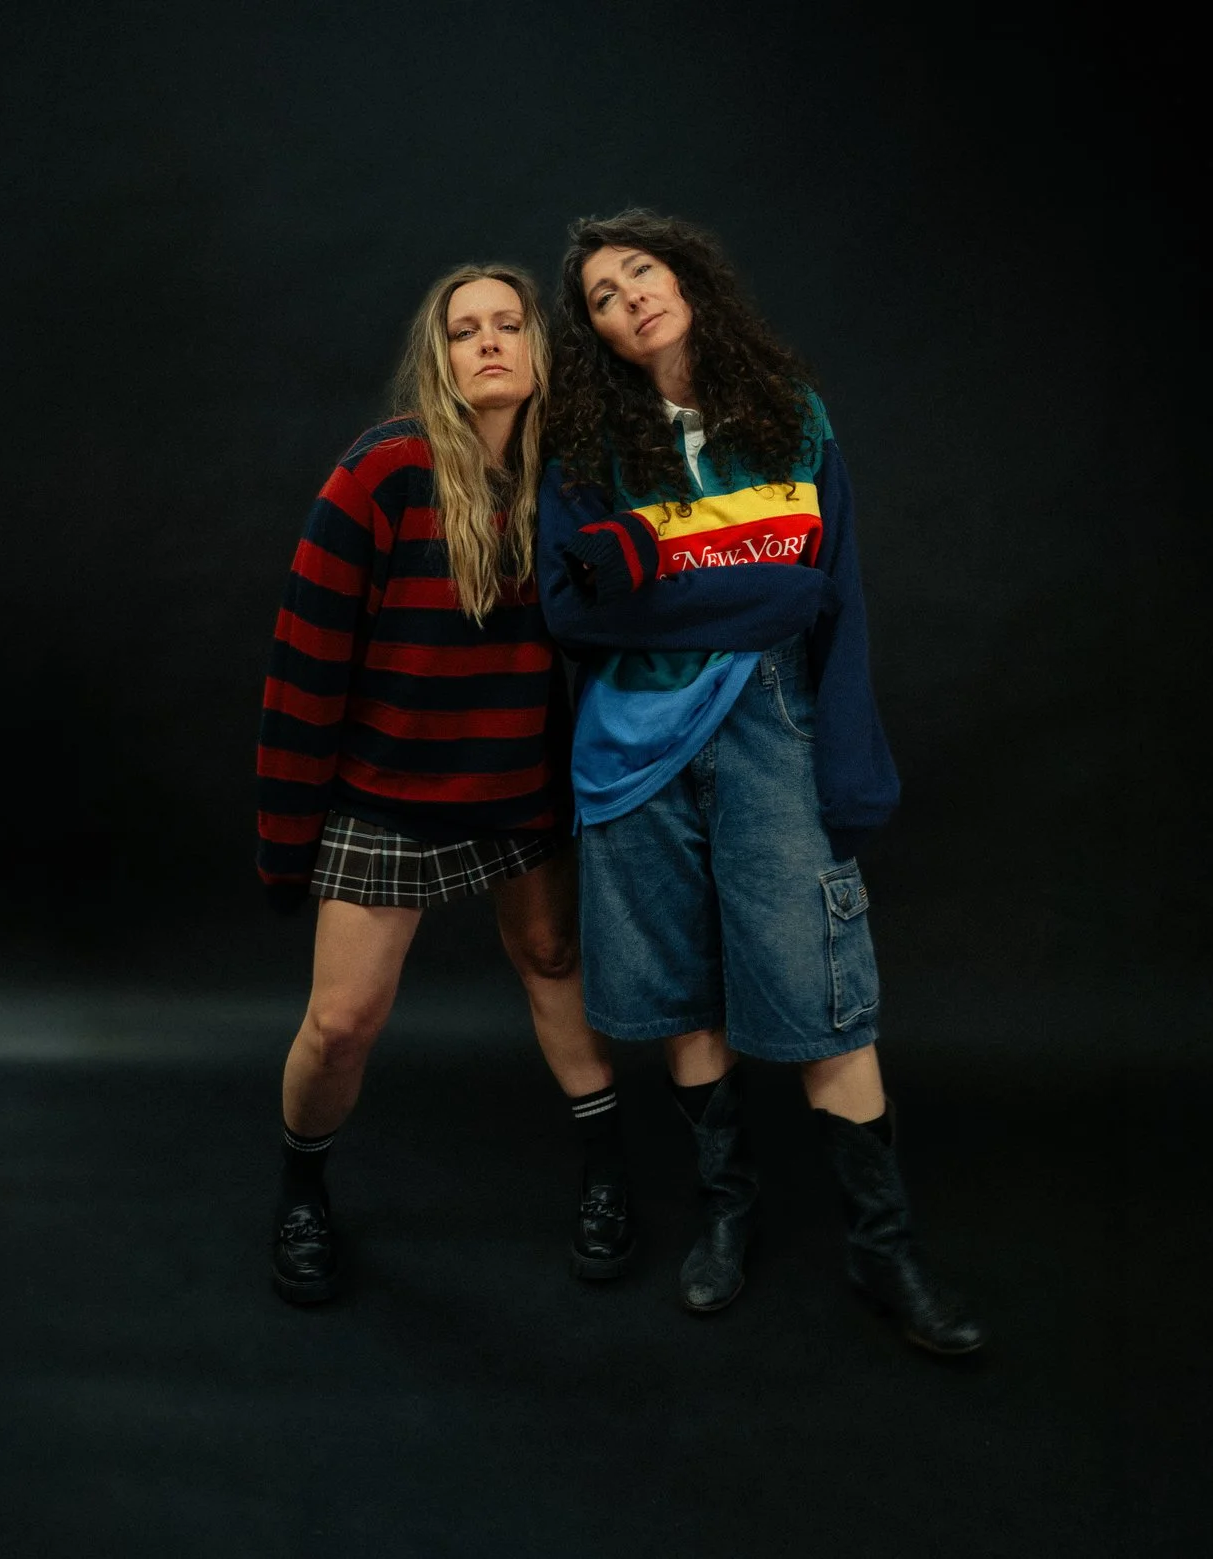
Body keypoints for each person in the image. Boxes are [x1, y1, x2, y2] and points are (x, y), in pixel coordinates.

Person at [535, 209, 983, 1355]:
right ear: (595, 335)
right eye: (601, 296)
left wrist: (664, 577)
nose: (630, 296)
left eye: (642, 270)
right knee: (685, 997)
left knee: (823, 995)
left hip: (773, 727)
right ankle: (726, 1215)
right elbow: (573, 611)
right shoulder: (585, 449)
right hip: (630, 751)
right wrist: (762, 591)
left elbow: (833, 598)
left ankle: (883, 1248)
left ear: (687, 278)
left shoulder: (791, 416)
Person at [254, 263, 632, 1305]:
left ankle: (607, 1174)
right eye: (466, 331)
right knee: (341, 1022)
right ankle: (301, 1190)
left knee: (554, 958)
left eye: (509, 323)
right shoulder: (380, 475)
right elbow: (303, 668)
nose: (490, 342)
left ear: (539, 348)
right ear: (441, 358)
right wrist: (287, 844)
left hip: (516, 783)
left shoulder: (569, 483)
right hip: (386, 791)